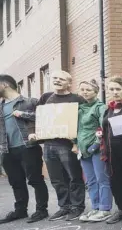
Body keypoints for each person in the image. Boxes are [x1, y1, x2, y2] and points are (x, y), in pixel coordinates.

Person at [29, 70, 86, 221]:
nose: (57, 80)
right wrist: (34, 133)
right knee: (57, 179)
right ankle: (64, 207)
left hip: (68, 145)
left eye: (62, 79)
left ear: (69, 83)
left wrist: (77, 143)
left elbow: (84, 122)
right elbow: (38, 118)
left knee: (74, 177)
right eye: (55, 78)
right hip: (49, 144)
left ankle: (77, 207)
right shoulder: (46, 97)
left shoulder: (77, 99)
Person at [0, 74, 49, 223]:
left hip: (28, 147)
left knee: (35, 179)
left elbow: (44, 118)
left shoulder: (30, 102)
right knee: (16, 182)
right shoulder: (1, 106)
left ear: (4, 85)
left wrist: (22, 114)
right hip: (7, 150)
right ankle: (20, 211)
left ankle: (42, 210)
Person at [76, 80, 112, 222]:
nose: (85, 92)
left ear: (96, 92)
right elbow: (76, 129)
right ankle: (95, 207)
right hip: (83, 150)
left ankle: (105, 209)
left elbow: (105, 127)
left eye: (88, 90)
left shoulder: (100, 107)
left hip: (97, 150)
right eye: (82, 89)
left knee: (101, 179)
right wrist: (76, 145)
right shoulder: (79, 109)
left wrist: (96, 144)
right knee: (90, 181)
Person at [101, 76, 122, 224]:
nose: (115, 92)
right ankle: (121, 210)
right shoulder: (108, 109)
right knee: (116, 182)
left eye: (118, 89)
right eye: (112, 89)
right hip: (112, 153)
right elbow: (104, 129)